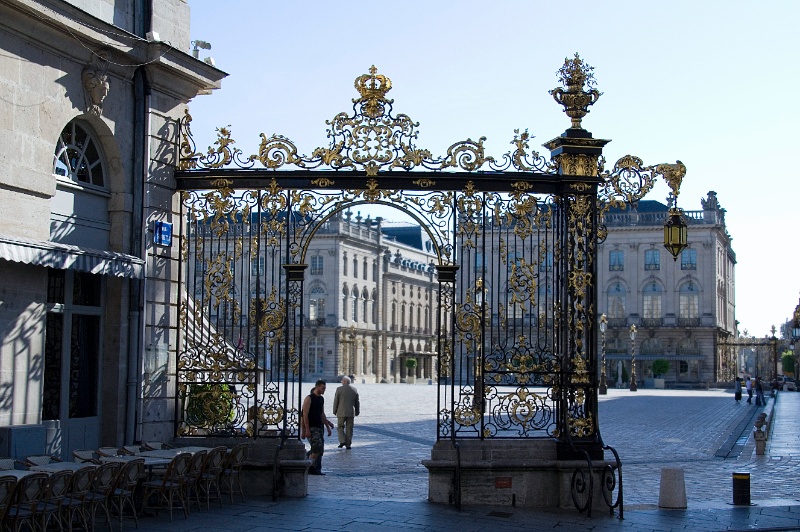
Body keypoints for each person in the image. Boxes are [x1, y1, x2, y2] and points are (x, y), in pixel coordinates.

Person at [301, 379, 334, 475]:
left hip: (319, 426)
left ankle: (315, 468)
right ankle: (307, 464)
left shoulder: (321, 399)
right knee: (317, 447)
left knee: (319, 449)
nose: (324, 390)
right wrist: (305, 430)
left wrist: (327, 426)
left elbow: (322, 414)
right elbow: (304, 415)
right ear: (317, 387)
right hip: (311, 427)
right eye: (323, 388)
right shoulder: (309, 398)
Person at [332, 376, 360, 449]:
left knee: (340, 427)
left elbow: (336, 401)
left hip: (341, 411)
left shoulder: (339, 389)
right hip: (351, 412)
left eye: (342, 381)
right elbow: (357, 402)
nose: (341, 382)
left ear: (344, 382)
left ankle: (342, 440)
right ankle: (348, 444)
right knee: (349, 428)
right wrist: (357, 411)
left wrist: (334, 410)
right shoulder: (354, 389)